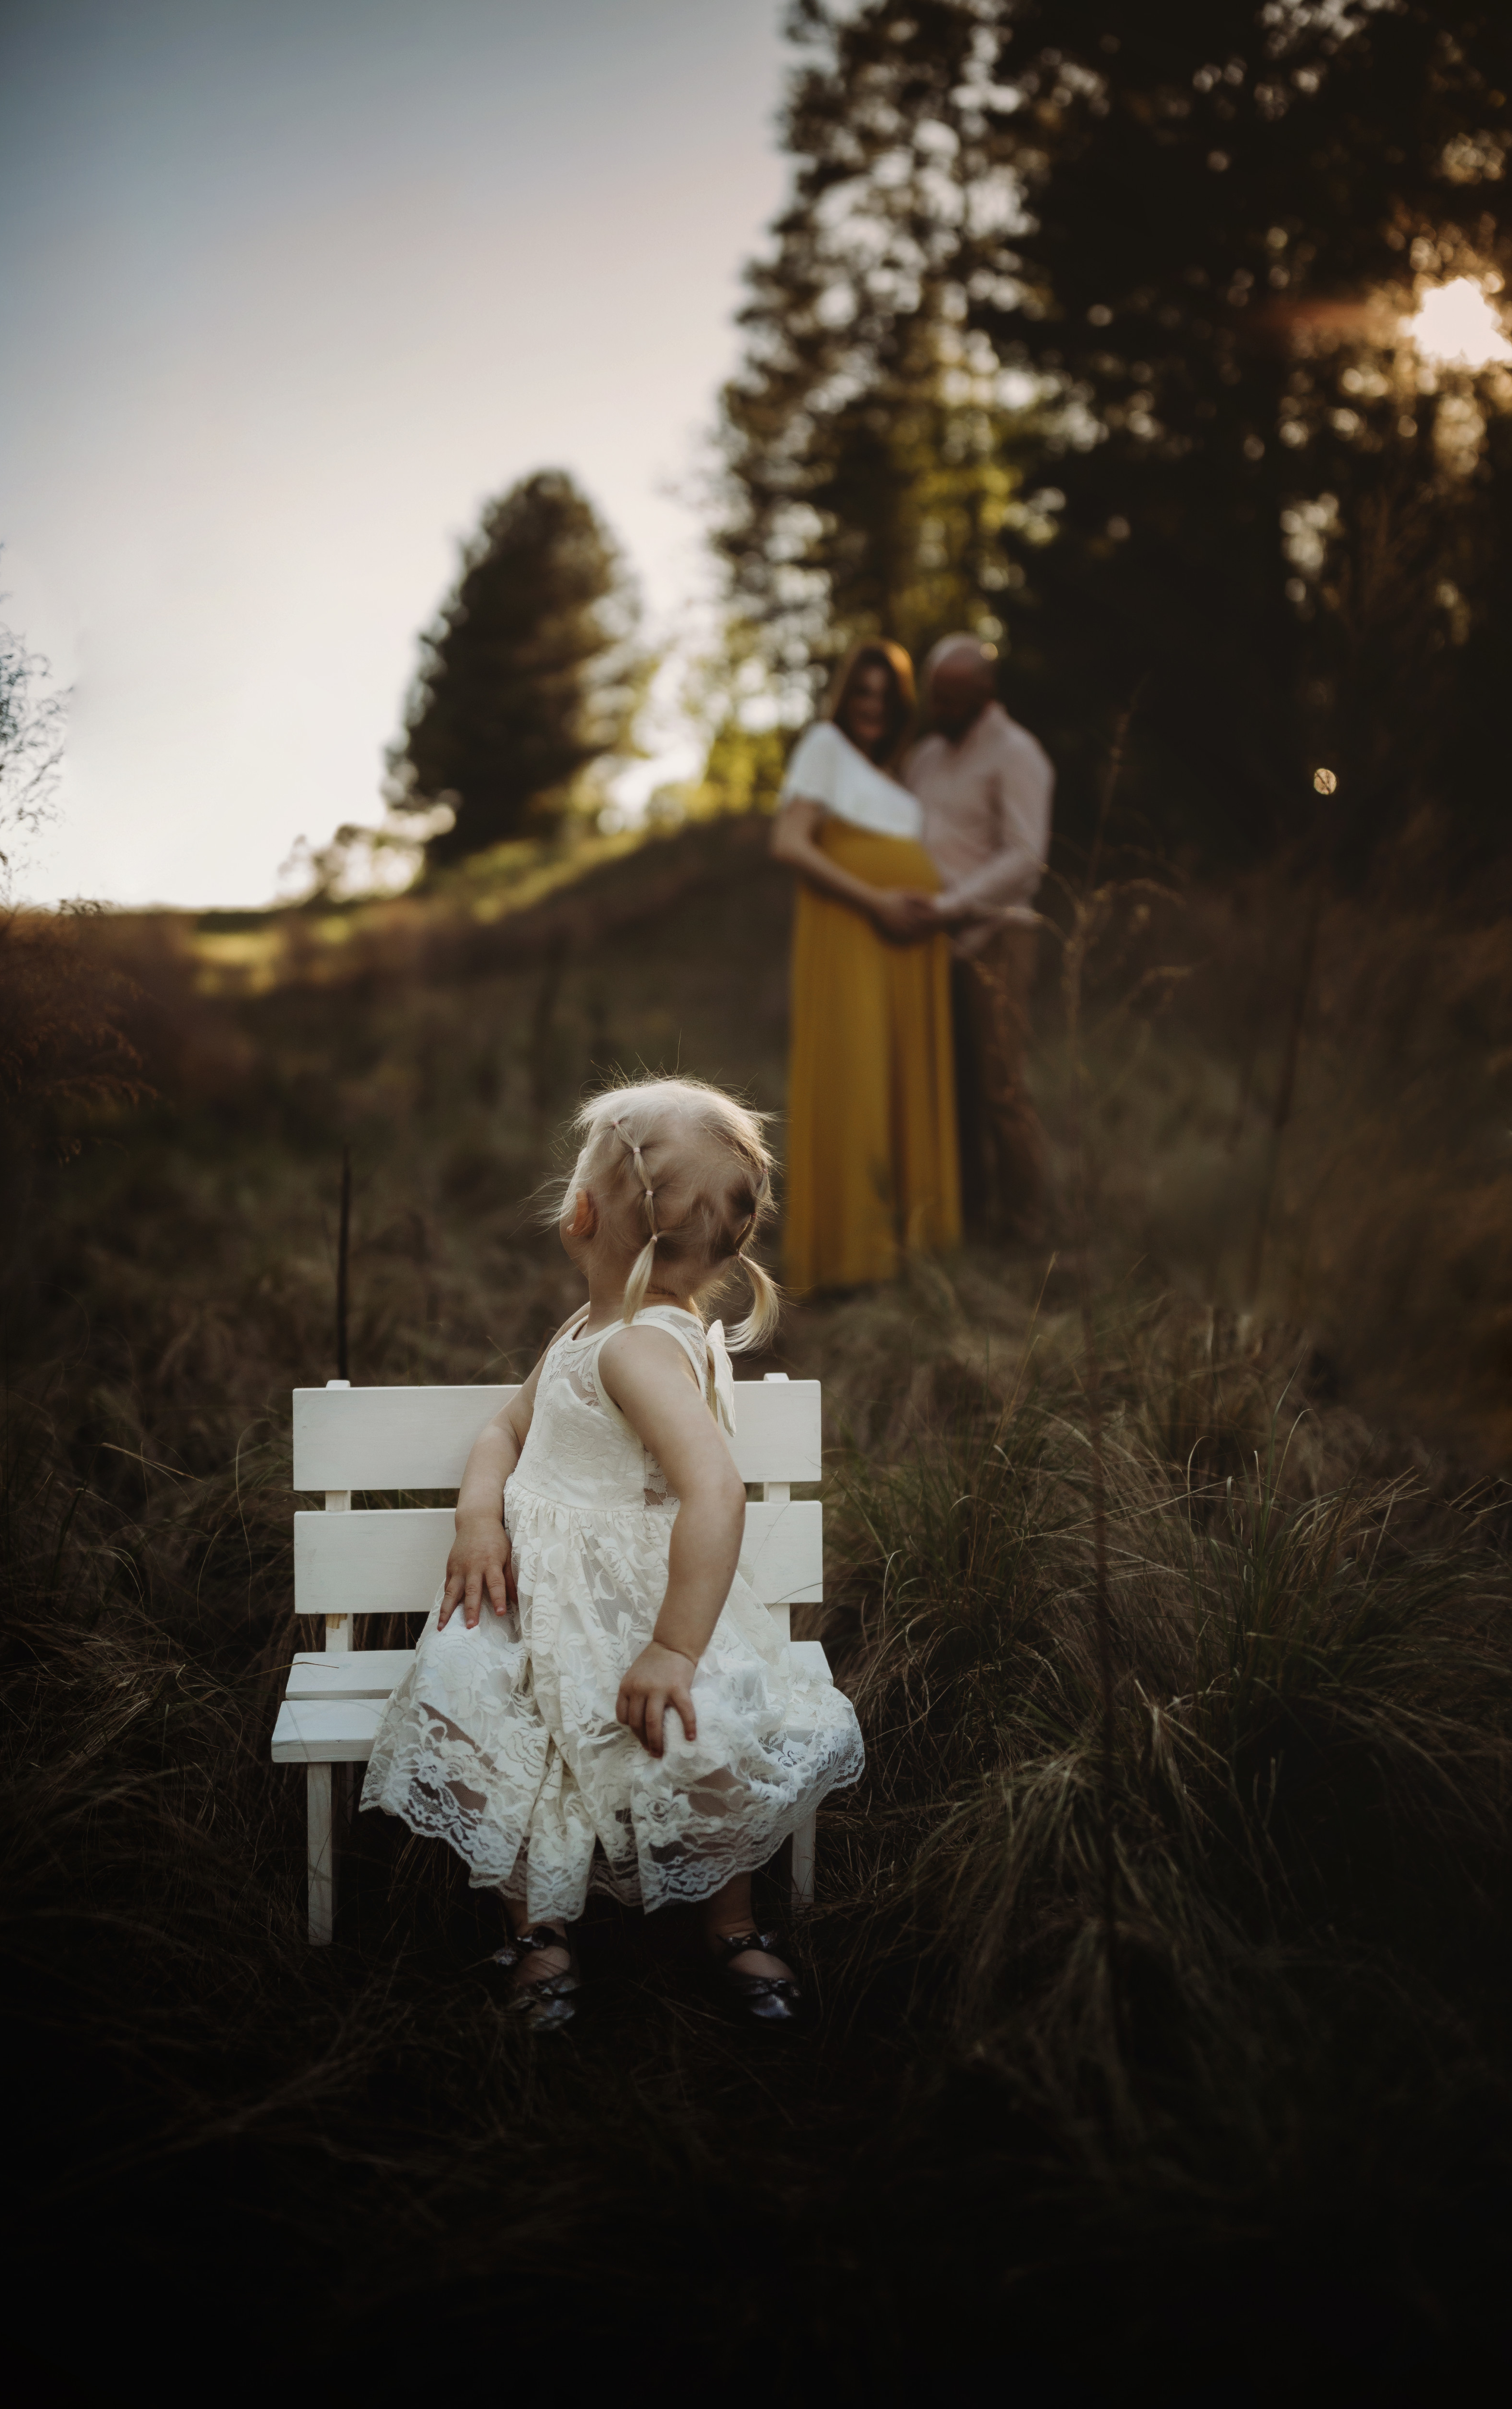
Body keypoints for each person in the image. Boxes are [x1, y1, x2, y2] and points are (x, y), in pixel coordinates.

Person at [361, 1078, 864, 2030]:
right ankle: (538, 1930)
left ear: (580, 1209)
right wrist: (478, 1518)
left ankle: (731, 1923)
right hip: (540, 1604)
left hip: (635, 1611)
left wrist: (674, 1647)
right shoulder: (586, 1335)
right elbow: (503, 1431)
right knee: (483, 1714)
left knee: (700, 1736)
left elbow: (714, 1487)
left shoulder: (637, 1349)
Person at [769, 639, 962, 1294]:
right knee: (856, 1080)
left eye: (886, 696)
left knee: (898, 1082)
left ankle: (907, 1251)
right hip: (851, 936)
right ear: (844, 696)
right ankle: (847, 1261)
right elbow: (789, 842)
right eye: (862, 692)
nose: (872, 706)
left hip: (905, 954)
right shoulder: (824, 745)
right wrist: (876, 899)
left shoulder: (898, 774)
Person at [902, 637, 1052, 1245]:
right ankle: (966, 1215)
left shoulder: (1018, 754)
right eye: (934, 695)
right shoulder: (927, 757)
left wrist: (952, 906)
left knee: (1000, 1087)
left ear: (985, 693)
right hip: (930, 945)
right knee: (951, 1087)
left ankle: (1026, 1225)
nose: (938, 707)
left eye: (952, 697)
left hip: (996, 939)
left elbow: (1025, 856)